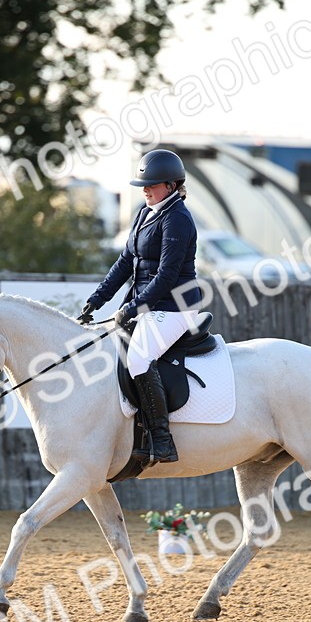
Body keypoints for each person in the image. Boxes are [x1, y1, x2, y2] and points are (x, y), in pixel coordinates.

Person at [77, 148, 202, 466]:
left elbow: (167, 276)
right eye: (143, 185)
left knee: (139, 358)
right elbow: (125, 262)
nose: (145, 190)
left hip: (175, 306)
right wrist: (97, 299)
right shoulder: (145, 213)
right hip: (149, 304)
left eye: (152, 185)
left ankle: (162, 439)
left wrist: (132, 308)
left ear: (172, 185)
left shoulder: (178, 219)